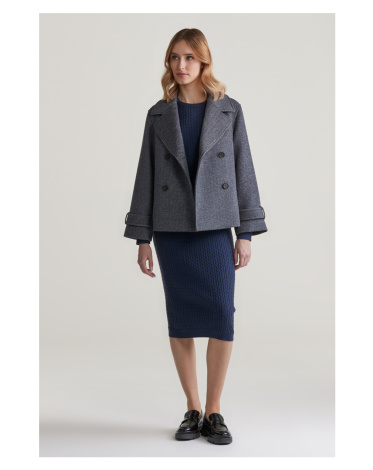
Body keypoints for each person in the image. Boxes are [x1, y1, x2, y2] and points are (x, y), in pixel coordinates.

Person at [124, 28, 268, 445]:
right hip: (171, 230)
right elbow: (146, 175)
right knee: (181, 318)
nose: (181, 65)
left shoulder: (229, 110)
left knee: (222, 314)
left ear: (204, 62)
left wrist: (245, 233)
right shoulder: (158, 115)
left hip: (215, 228)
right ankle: (192, 407)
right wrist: (143, 238)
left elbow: (243, 169)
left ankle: (214, 409)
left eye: (189, 57)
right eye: (174, 57)